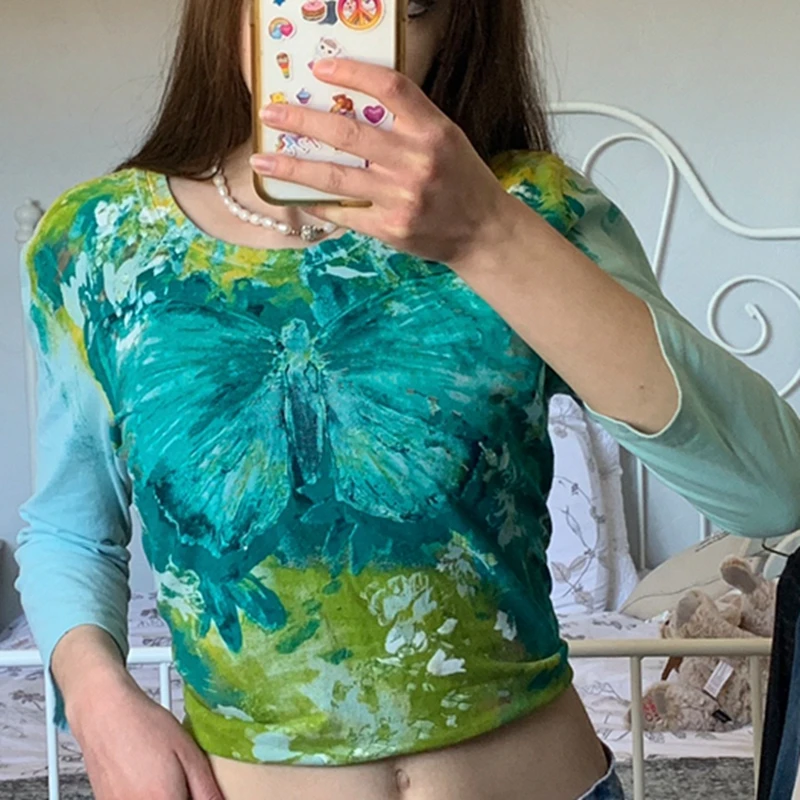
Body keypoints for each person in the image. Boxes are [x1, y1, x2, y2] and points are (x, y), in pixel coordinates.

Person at [15, 0, 800, 799]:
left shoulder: (530, 210)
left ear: (457, 26)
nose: (343, 45)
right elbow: (72, 527)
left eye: (407, 6)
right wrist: (97, 699)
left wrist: (486, 235)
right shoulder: (99, 247)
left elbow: (771, 492)